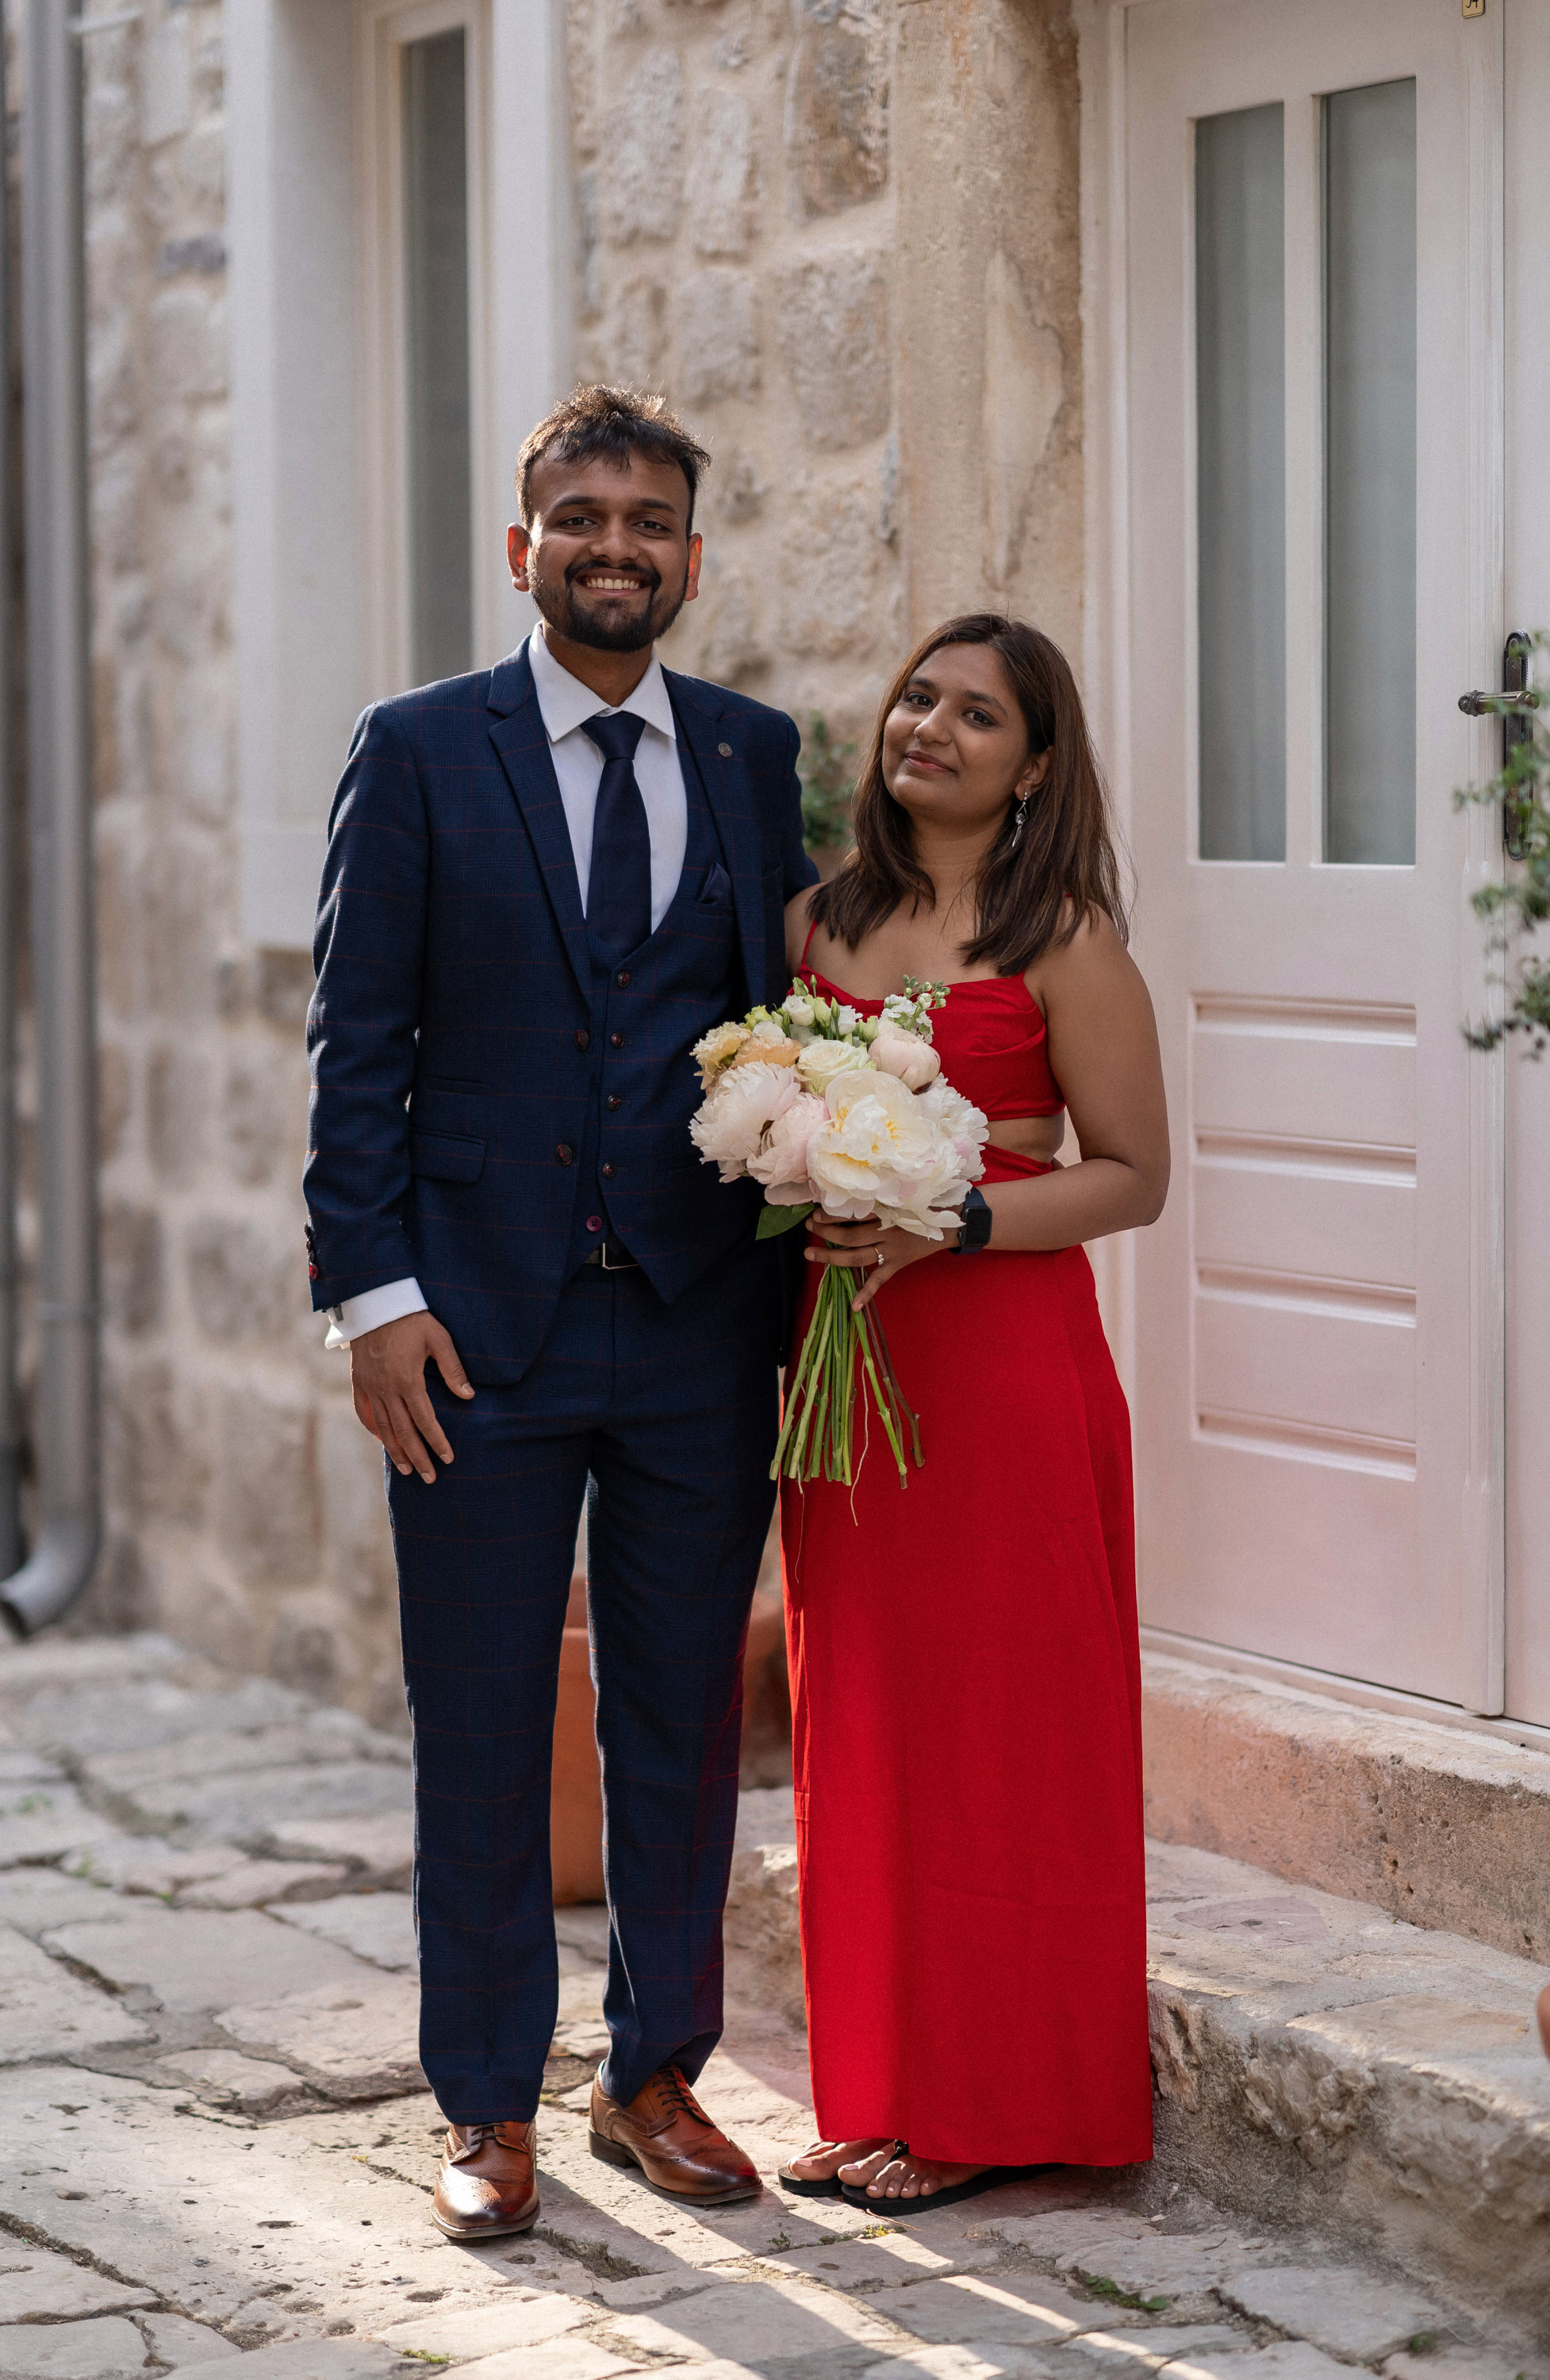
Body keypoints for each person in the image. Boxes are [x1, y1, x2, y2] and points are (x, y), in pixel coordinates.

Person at [304, 386, 816, 2242]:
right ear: (521, 550)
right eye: (580, 516)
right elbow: (359, 1044)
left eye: (650, 519)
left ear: (689, 554)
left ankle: (655, 2073)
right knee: (483, 1720)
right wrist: (372, 1299)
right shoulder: (422, 748)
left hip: (696, 1325)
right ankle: (482, 2106)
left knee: (682, 1714)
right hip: (474, 1334)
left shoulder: (759, 759)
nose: (617, 546)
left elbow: (793, 1025)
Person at [777, 613, 1169, 2210]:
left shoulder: (1064, 935)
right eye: (916, 697)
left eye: (978, 714)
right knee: (863, 1715)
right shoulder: (814, 920)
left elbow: (1135, 1174)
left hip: (1002, 1359)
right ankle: (876, 2081)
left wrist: (961, 1219)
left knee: (1007, 1728)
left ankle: (998, 2099)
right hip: (842, 1372)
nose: (929, 726)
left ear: (1036, 765)